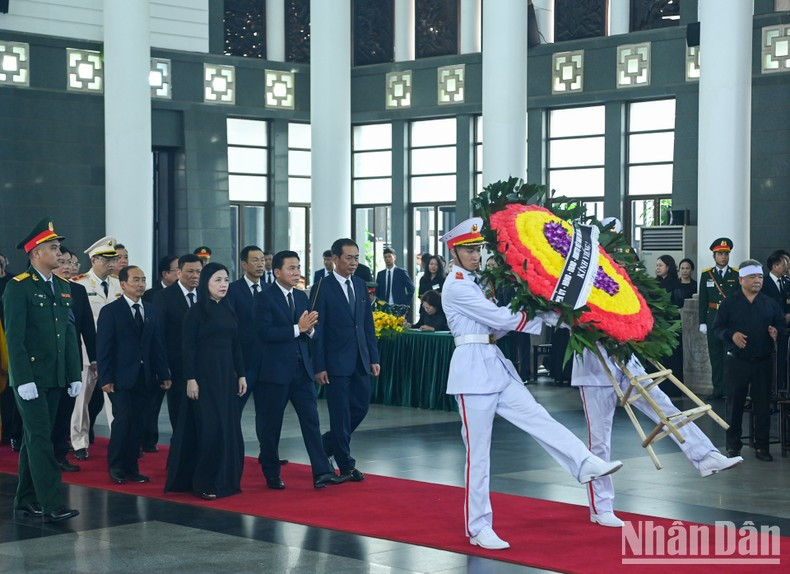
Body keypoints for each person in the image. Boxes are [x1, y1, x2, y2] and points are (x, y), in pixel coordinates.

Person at [439, 217, 622, 550]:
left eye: (478, 248)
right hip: (471, 370)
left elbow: (499, 326)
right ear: (454, 251)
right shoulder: (457, 284)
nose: (475, 255)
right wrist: (544, 315)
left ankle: (583, 463)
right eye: (468, 249)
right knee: (478, 456)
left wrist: (540, 311)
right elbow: (498, 318)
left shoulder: (475, 281)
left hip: (494, 363)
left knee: (538, 417)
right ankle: (478, 527)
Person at [572, 343, 743, 527]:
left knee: (666, 408)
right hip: (594, 371)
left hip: (627, 362)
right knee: (599, 440)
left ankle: (706, 456)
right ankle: (602, 508)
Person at [2, 217, 81, 522]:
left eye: (59, 247)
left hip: (57, 376)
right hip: (31, 379)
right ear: (35, 253)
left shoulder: (63, 287)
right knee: (40, 438)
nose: (60, 254)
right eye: (53, 248)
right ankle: (52, 502)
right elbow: (14, 337)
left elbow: (69, 335)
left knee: (36, 438)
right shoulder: (18, 288)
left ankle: (25, 499)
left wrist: (74, 373)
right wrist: (21, 379)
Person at [255, 250, 344, 490]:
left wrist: (309, 330)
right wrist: (298, 328)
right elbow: (264, 334)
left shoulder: (302, 297)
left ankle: (322, 472)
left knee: (311, 422)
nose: (296, 273)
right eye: (291, 268)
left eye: (298, 267)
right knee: (270, 426)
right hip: (274, 373)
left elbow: (310, 333)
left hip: (302, 371)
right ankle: (271, 472)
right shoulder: (265, 298)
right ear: (277, 272)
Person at [165, 262, 247, 500]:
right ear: (206, 284)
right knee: (210, 430)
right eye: (217, 281)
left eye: (225, 280)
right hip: (203, 379)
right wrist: (191, 379)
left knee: (228, 429)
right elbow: (187, 349)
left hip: (226, 379)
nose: (223, 285)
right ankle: (204, 482)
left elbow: (236, 345)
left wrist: (241, 373)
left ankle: (225, 481)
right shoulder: (196, 312)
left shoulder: (229, 309)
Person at [313, 238, 380, 483]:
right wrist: (318, 365)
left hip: (360, 360)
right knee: (339, 415)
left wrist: (373, 357)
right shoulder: (323, 287)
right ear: (335, 258)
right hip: (335, 363)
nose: (353, 263)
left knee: (360, 408)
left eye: (356, 257)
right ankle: (346, 465)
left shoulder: (361, 285)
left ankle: (324, 445)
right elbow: (317, 331)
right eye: (348, 258)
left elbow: (366, 325)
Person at [97, 266, 170, 484]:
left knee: (139, 421)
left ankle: (132, 467)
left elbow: (157, 345)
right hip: (119, 378)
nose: (140, 284)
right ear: (123, 284)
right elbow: (104, 348)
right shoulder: (111, 311)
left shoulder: (150, 309)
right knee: (124, 419)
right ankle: (116, 465)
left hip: (145, 376)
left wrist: (163, 372)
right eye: (136, 280)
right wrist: (106, 378)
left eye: (143, 279)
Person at [714, 259, 785, 462]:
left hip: (763, 361)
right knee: (734, 405)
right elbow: (717, 328)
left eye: (760, 277)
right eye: (753, 277)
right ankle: (733, 447)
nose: (757, 281)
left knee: (762, 405)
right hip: (737, 362)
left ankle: (762, 447)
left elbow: (781, 325)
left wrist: (776, 331)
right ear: (741, 279)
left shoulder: (770, 303)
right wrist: (732, 335)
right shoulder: (730, 303)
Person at [70, 236, 122, 461]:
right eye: (106, 259)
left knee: (116, 401)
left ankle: (119, 441)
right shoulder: (78, 284)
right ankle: (79, 442)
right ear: (93, 260)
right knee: (82, 401)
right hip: (86, 353)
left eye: (114, 259)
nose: (111, 263)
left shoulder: (120, 284)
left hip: (115, 353)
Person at [50, 247, 96, 472]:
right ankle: (44, 456)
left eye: (71, 262)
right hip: (47, 361)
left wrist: (95, 358)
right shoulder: (41, 288)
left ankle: (60, 453)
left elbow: (88, 328)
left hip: (72, 359)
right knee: (49, 411)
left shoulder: (78, 290)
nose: (68, 266)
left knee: (66, 408)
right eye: (63, 262)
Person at [153, 253, 202, 432]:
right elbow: (158, 335)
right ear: (179, 272)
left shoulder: (205, 295)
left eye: (198, 271)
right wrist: (163, 367)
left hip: (203, 366)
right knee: (180, 415)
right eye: (190, 271)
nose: (195, 275)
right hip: (176, 366)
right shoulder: (164, 297)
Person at [698, 238, 740, 400]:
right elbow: (703, 300)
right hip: (713, 319)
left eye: (726, 254)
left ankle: (730, 389)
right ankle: (718, 389)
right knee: (715, 356)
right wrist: (702, 321)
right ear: (714, 255)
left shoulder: (735, 275)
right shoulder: (707, 275)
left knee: (728, 355)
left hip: (730, 320)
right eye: (720, 254)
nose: (723, 257)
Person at [226, 245, 266, 413]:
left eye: (262, 260)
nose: (260, 264)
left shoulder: (270, 290)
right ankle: (232, 440)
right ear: (244, 264)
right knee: (235, 409)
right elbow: (230, 327)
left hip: (267, 363)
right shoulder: (232, 290)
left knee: (267, 413)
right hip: (243, 362)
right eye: (255, 260)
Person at [761, 250, 790, 394]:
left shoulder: (787, 282)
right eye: (785, 263)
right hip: (770, 327)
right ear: (775, 265)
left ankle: (783, 386)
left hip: (785, 328)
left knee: (784, 358)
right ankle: (772, 387)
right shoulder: (763, 283)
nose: (787, 266)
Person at [655, 254, 682, 391]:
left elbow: (678, 303)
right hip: (658, 324)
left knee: (673, 357)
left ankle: (673, 387)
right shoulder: (655, 283)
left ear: (668, 267)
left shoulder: (676, 283)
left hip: (672, 324)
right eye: (657, 265)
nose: (657, 268)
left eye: (660, 265)